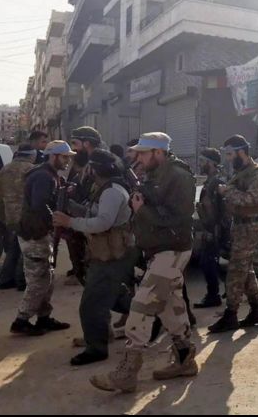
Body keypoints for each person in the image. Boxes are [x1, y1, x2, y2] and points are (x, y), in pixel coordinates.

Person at [90, 133, 197, 393]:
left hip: (171, 250)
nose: (138, 158)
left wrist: (142, 210)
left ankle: (127, 373)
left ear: (158, 153)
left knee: (140, 308)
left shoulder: (179, 177)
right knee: (171, 307)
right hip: (158, 250)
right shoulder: (155, 173)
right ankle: (185, 359)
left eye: (143, 153)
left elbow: (178, 218)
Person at [52, 149, 135, 366]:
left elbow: (102, 223)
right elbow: (94, 213)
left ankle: (96, 349)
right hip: (107, 252)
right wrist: (72, 208)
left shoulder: (112, 192)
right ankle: (153, 315)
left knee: (91, 304)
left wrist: (69, 223)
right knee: (115, 296)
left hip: (111, 253)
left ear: (95, 169)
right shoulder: (106, 188)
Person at [10, 141, 76, 336]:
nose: (67, 161)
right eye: (64, 157)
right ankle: (21, 320)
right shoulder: (43, 176)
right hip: (35, 234)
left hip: (38, 233)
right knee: (39, 280)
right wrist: (57, 220)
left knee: (47, 277)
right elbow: (40, 205)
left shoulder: (48, 174)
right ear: (54, 156)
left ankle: (44, 318)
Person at [208, 135, 258, 333]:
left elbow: (251, 198)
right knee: (245, 269)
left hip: (250, 227)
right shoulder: (240, 172)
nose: (227, 158)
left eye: (229, 154)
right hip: (240, 226)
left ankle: (231, 315)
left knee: (236, 271)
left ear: (241, 151)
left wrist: (226, 192)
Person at [66, 126, 104, 287]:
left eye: (75, 143)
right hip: (83, 216)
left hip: (96, 220)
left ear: (87, 143)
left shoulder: (101, 163)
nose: (73, 148)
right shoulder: (84, 162)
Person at [193, 148, 227, 309]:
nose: (200, 164)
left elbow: (221, 210)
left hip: (215, 230)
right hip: (210, 228)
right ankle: (230, 286)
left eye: (202, 161)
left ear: (211, 163)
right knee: (211, 261)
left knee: (207, 261)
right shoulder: (211, 181)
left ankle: (213, 295)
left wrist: (215, 231)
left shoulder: (217, 182)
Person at [0, 144, 35, 291]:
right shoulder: (31, 169)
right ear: (31, 155)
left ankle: (6, 279)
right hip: (25, 215)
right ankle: (21, 280)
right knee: (25, 248)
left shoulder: (5, 169)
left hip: (9, 215)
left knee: (14, 247)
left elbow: (0, 194)